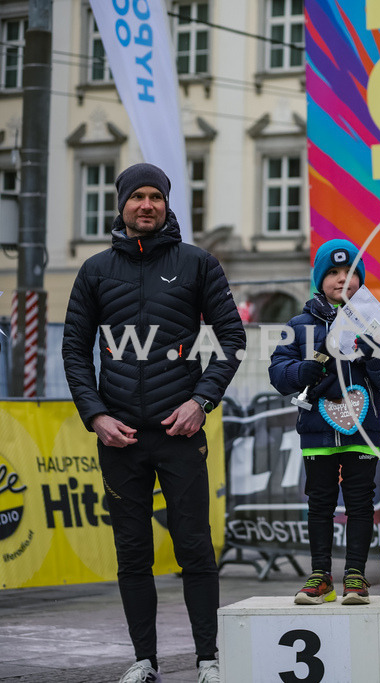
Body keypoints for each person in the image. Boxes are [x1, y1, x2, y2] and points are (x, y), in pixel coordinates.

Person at [62, 162, 245, 683]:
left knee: (194, 547)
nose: (147, 205)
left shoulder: (197, 264)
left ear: (167, 205)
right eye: (137, 197)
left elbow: (231, 340)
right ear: (121, 205)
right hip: (119, 438)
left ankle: (208, 659)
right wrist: (95, 415)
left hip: (180, 433)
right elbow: (74, 350)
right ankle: (144, 660)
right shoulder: (95, 270)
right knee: (133, 552)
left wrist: (201, 403)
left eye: (155, 197)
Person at [269, 239, 380, 605]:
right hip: (317, 429)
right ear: (320, 279)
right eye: (333, 272)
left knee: (360, 502)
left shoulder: (378, 323)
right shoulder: (299, 326)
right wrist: (303, 368)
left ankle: (356, 577)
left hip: (363, 427)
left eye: (350, 273)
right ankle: (320, 576)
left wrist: (371, 354)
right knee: (320, 502)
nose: (342, 279)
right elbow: (278, 372)